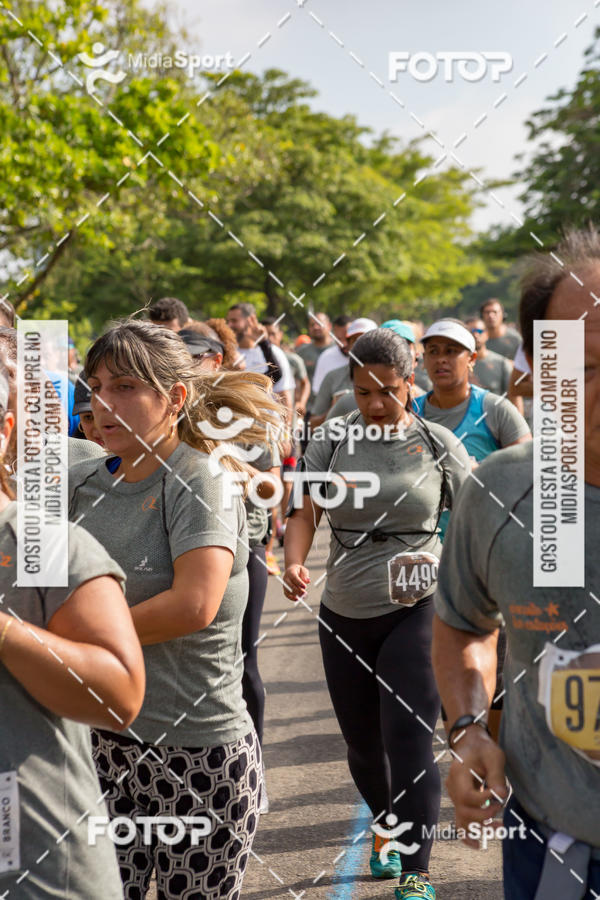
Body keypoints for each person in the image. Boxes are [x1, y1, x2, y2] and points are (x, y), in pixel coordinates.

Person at [69, 319, 282, 899]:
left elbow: (194, 604)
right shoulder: (84, 478)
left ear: (176, 398)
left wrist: (67, 643)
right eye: (95, 387)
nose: (103, 403)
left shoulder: (200, 478)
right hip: (104, 749)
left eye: (124, 387)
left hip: (198, 759)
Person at [432, 227, 600, 899]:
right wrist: (470, 728)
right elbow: (465, 624)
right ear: (540, 367)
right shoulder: (503, 493)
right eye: (587, 365)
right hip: (558, 854)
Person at [283, 327, 472, 900]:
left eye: (387, 391)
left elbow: (473, 521)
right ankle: (387, 825)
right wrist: (294, 562)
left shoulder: (439, 444)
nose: (375, 404)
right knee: (363, 745)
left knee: (408, 738)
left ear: (408, 384)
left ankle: (418, 866)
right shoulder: (333, 441)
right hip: (344, 607)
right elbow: (303, 510)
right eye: (364, 392)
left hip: (420, 605)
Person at [0, 360, 145, 899]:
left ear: (6, 430)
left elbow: (118, 697)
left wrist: (6, 634)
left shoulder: (40, 545)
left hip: (37, 872)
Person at [309, 318, 378, 429]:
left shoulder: (390, 377)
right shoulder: (333, 377)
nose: (362, 345)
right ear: (348, 344)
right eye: (355, 340)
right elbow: (312, 425)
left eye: (368, 339)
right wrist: (334, 410)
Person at [226, 303, 292, 410]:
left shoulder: (273, 352)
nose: (229, 326)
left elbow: (283, 394)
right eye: (228, 321)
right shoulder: (227, 353)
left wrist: (287, 425)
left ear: (250, 320)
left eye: (234, 321)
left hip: (267, 423)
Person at [465, 316, 512, 396]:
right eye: (471, 331)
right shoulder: (457, 363)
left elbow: (513, 396)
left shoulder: (502, 363)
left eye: (479, 331)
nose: (476, 335)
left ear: (487, 334)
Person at [310, 314, 353, 395]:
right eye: (339, 339)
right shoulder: (326, 358)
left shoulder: (368, 358)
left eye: (348, 339)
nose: (343, 344)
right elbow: (319, 392)